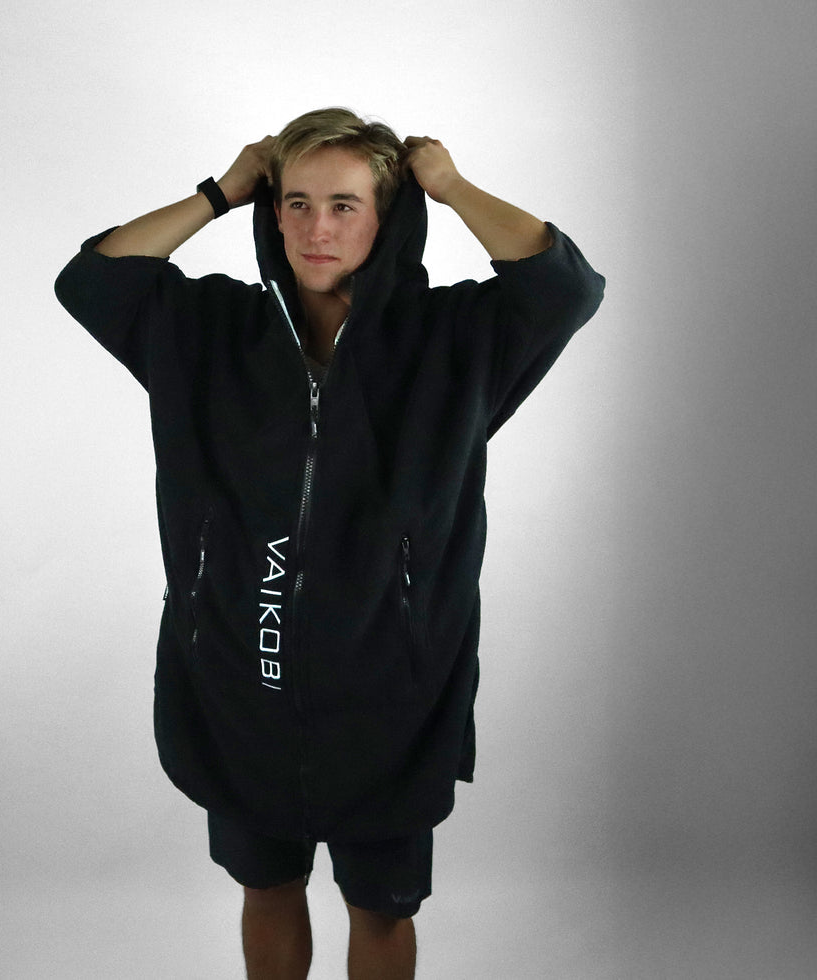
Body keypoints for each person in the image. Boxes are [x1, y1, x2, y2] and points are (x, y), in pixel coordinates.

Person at [54, 107, 604, 979]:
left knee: (381, 907)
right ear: (272, 212)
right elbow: (91, 281)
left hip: (394, 696)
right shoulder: (208, 329)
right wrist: (222, 190)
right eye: (298, 203)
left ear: (387, 216)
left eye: (345, 205)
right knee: (268, 887)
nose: (318, 228)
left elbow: (566, 289)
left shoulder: (453, 341)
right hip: (241, 678)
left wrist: (452, 187)